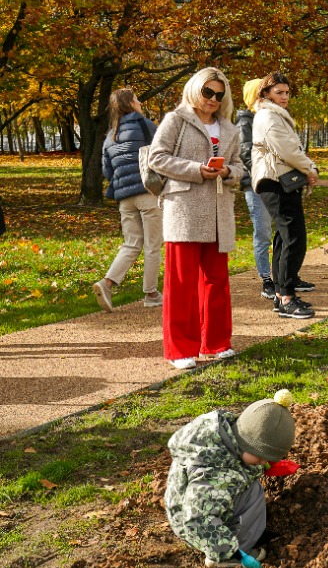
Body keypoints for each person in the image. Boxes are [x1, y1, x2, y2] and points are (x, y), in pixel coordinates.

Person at [147, 67, 244, 370]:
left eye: (219, 94)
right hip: (185, 209)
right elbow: (156, 157)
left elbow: (241, 165)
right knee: (181, 283)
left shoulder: (230, 128)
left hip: (218, 210)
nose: (213, 99)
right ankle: (180, 349)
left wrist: (228, 171)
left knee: (217, 281)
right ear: (195, 90)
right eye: (207, 92)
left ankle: (216, 342)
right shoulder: (176, 119)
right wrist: (196, 169)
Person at [164, 391, 297, 568]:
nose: (263, 462)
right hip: (195, 525)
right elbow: (196, 519)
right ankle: (229, 554)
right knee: (253, 493)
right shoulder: (217, 475)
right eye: (260, 457)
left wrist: (259, 464)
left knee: (247, 485)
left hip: (184, 504)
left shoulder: (223, 432)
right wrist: (227, 550)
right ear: (246, 444)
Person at [251, 71, 320, 320]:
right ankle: (287, 297)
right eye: (279, 92)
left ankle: (282, 296)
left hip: (277, 179)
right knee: (294, 237)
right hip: (275, 180)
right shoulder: (269, 116)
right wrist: (309, 167)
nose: (285, 97)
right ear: (266, 93)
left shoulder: (272, 115)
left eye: (287, 92)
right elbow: (288, 149)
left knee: (284, 236)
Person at [95, 87, 163, 312]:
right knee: (153, 245)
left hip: (124, 198)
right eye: (136, 99)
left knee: (132, 243)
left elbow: (107, 171)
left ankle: (107, 283)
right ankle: (151, 294)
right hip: (147, 192)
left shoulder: (110, 136)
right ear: (130, 104)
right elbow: (161, 154)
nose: (140, 101)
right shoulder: (145, 125)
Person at [236, 79, 275, 300]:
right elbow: (245, 152)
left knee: (280, 230)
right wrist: (264, 174)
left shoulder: (267, 117)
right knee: (262, 232)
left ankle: (283, 274)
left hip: (273, 180)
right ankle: (266, 278)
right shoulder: (245, 120)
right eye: (263, 92)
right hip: (256, 184)